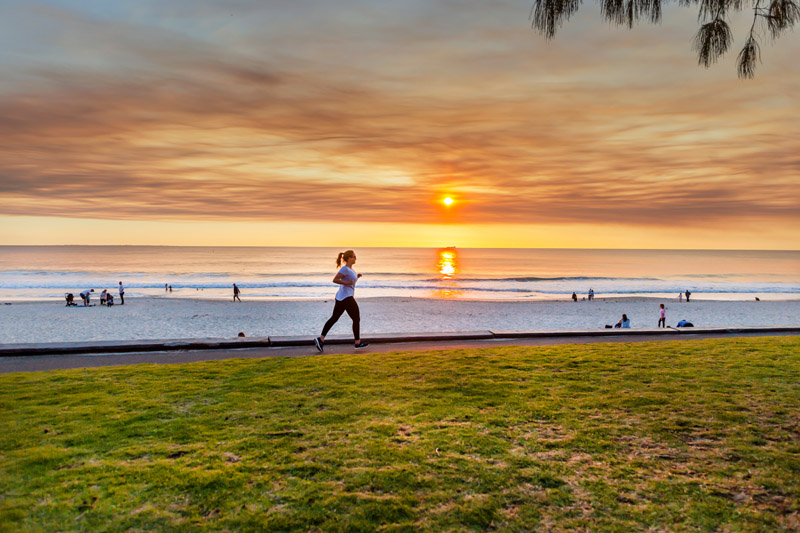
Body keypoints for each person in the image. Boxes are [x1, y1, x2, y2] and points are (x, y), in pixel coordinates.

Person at [315, 250, 368, 352]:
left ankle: (320, 339)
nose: (355, 258)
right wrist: (347, 282)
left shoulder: (350, 269)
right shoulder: (345, 269)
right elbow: (335, 279)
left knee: (334, 318)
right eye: (354, 256)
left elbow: (351, 281)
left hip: (342, 297)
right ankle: (357, 343)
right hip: (346, 298)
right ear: (348, 258)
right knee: (356, 318)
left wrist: (357, 277)